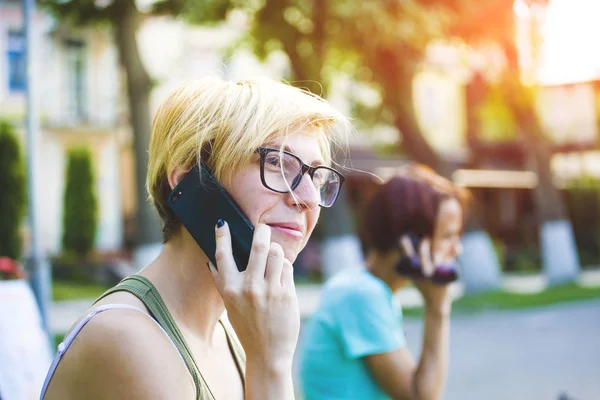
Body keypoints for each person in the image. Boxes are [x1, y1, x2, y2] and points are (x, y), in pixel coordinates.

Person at [40, 76, 352, 399]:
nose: (308, 198)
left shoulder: (231, 331)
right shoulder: (128, 339)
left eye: (316, 176)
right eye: (276, 162)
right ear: (192, 179)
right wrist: (269, 365)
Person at [299, 163, 469, 400]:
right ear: (411, 240)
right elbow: (421, 397)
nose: (457, 249)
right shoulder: (362, 295)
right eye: (448, 236)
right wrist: (437, 308)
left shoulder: (366, 287)